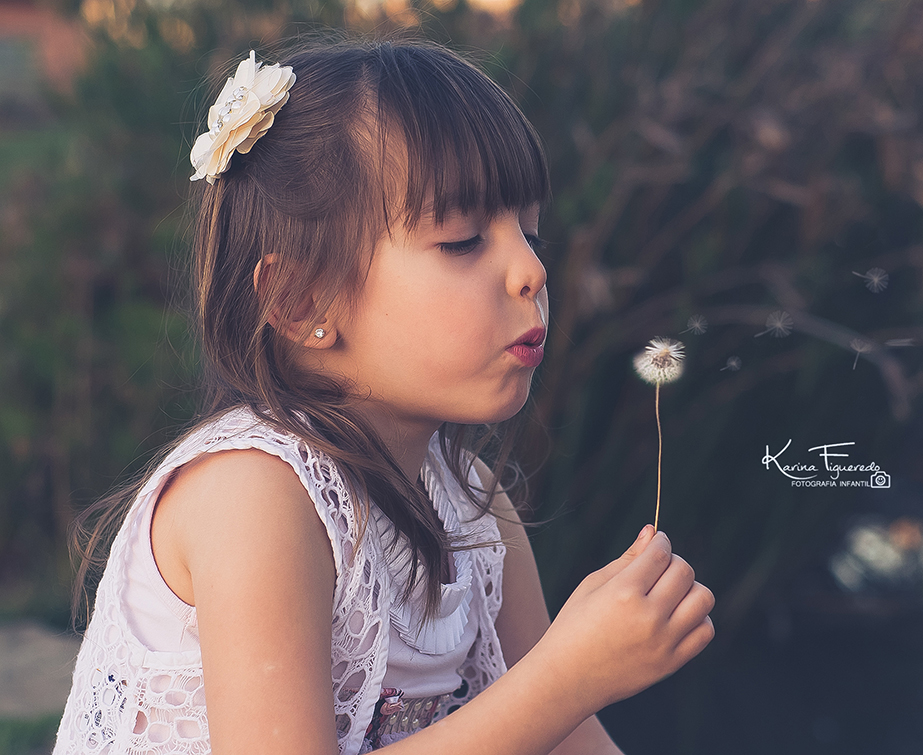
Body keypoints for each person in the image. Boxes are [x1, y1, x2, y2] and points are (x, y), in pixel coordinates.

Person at [54, 39, 714, 755]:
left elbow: (571, 742)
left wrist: (579, 680)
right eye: (463, 240)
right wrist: (565, 680)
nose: (530, 269)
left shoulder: (474, 507)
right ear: (301, 296)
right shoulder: (253, 495)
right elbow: (552, 702)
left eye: (528, 231)